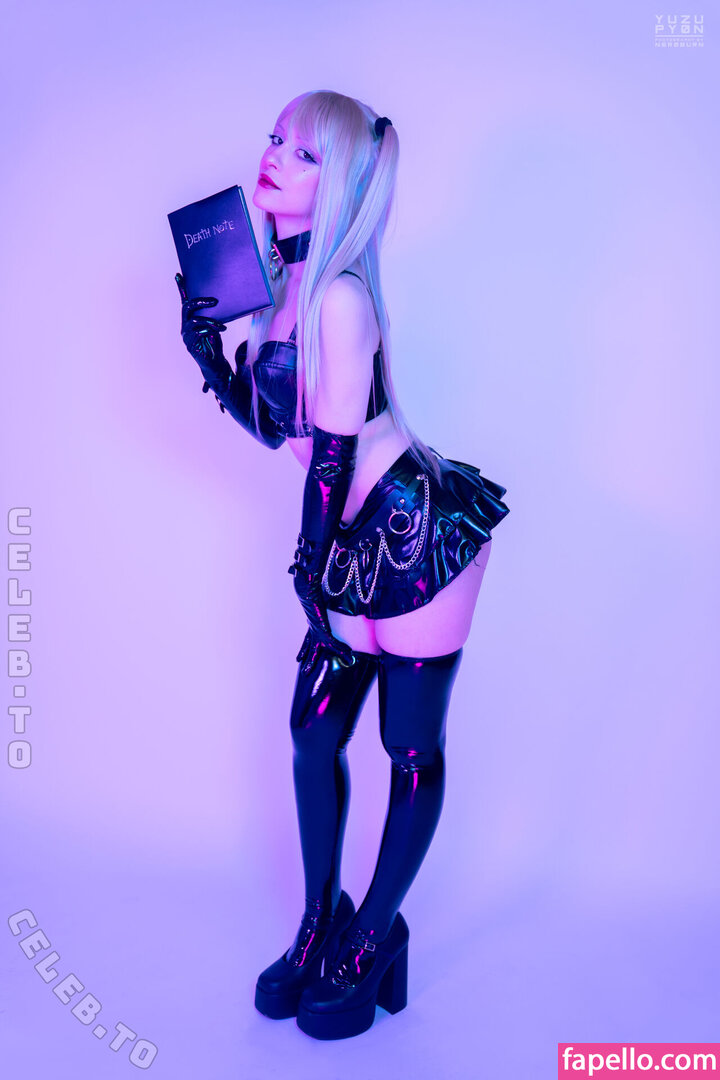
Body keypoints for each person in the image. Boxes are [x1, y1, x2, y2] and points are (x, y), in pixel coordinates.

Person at [175, 89, 509, 1041]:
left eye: (307, 153)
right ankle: (318, 926)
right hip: (345, 536)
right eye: (277, 139)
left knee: (409, 748)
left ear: (347, 183)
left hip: (410, 528)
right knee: (313, 736)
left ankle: (372, 938)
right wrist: (208, 353)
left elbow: (333, 455)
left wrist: (307, 565)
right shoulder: (279, 288)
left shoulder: (341, 297)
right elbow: (277, 427)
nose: (276, 157)